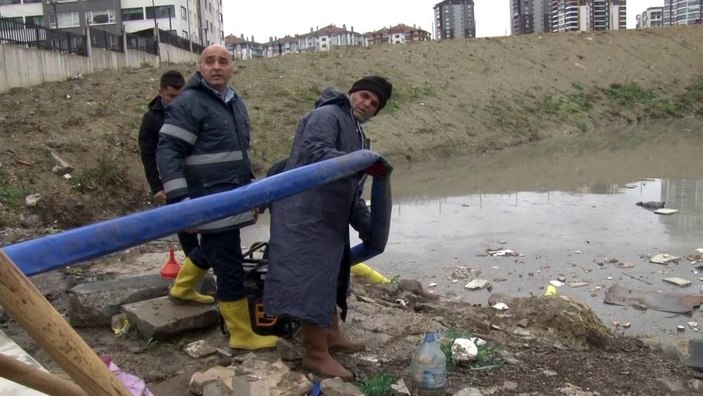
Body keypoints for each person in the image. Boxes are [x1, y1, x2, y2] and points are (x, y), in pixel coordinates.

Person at [263, 76, 393, 379]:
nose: (366, 104)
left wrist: (367, 225)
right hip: (305, 214)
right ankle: (315, 355)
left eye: (374, 104)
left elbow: (352, 190)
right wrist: (361, 162)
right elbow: (316, 154)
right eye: (363, 96)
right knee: (314, 284)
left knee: (333, 277)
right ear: (350, 93)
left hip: (329, 217)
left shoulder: (359, 135)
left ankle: (332, 335)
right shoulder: (327, 115)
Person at [156, 44, 276, 350]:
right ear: (200, 66)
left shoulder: (235, 103)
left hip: (232, 195)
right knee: (229, 263)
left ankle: (182, 290)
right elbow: (168, 150)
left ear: (232, 66)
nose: (217, 66)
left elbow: (238, 155)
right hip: (206, 199)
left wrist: (249, 194)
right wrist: (182, 202)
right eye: (210, 61)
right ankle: (241, 334)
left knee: (212, 247)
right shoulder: (190, 102)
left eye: (223, 61)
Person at [137, 70, 213, 306]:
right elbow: (148, 156)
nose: (175, 101)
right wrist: (157, 187)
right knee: (188, 235)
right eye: (171, 96)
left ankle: (197, 277)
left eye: (180, 96)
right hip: (173, 185)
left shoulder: (193, 110)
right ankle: (192, 285)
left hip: (199, 182)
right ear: (161, 93)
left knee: (211, 234)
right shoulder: (152, 120)